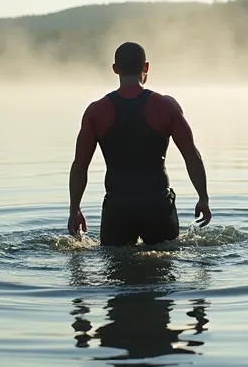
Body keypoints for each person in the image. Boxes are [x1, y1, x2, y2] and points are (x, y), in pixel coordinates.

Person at [68, 42, 211, 246]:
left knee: (116, 267)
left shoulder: (96, 111)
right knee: (163, 264)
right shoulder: (166, 107)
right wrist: (203, 198)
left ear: (115, 69)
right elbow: (192, 155)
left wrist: (75, 210)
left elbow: (80, 166)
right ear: (146, 67)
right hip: (157, 206)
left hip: (118, 208)